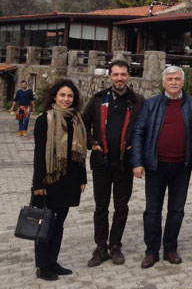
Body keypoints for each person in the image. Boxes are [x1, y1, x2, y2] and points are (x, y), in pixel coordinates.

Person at [130, 66, 192, 268]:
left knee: (176, 210)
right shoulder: (151, 104)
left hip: (182, 166)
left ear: (183, 82)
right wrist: (137, 162)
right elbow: (138, 133)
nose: (173, 82)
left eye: (177, 79)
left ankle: (170, 248)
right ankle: (151, 251)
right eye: (170, 79)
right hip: (156, 166)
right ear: (163, 82)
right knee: (152, 211)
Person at [83, 60, 145, 267]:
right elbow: (84, 124)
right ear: (109, 76)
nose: (120, 78)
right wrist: (92, 143)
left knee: (121, 206)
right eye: (116, 74)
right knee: (101, 207)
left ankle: (115, 244)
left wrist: (137, 147)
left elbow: (144, 128)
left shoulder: (137, 101)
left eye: (123, 74)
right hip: (101, 163)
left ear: (129, 76)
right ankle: (101, 247)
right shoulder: (98, 99)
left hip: (124, 163)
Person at [31, 79, 87, 281]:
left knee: (59, 224)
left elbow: (80, 154)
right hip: (49, 179)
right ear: (54, 96)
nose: (66, 99)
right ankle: (42, 266)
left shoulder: (76, 120)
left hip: (69, 181)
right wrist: (38, 183)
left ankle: (53, 261)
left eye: (70, 96)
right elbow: (39, 154)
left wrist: (82, 179)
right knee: (45, 223)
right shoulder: (44, 120)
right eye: (62, 95)